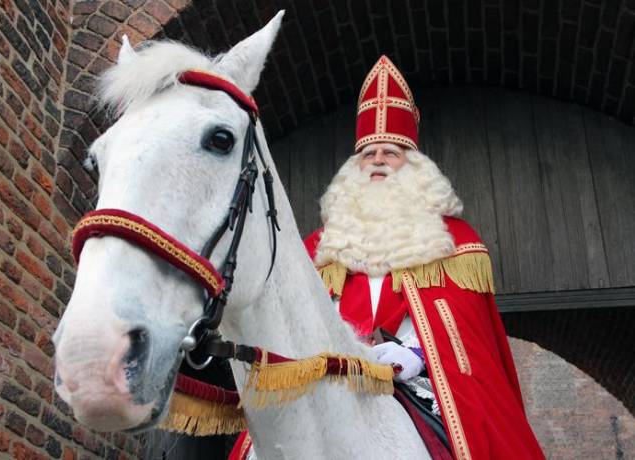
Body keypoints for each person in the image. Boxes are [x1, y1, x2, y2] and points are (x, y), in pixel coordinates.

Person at [230, 56, 544, 460]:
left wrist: (415, 355)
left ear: (413, 168)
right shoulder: (321, 247)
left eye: (391, 153)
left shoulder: (452, 241)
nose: (377, 160)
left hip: (417, 385)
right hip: (329, 381)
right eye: (369, 153)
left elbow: (464, 339)